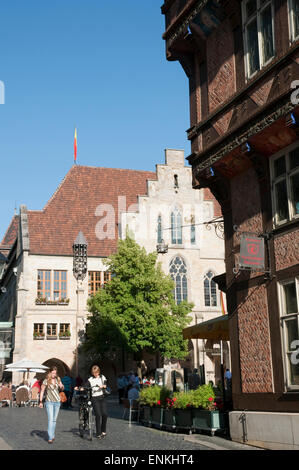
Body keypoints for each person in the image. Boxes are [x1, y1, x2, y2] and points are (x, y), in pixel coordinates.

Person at [39, 366, 64, 444]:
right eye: (52, 373)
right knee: (50, 420)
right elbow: (42, 391)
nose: (54, 374)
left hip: (57, 402)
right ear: (50, 372)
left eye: (55, 373)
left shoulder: (58, 379)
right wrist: (40, 401)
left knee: (54, 420)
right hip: (49, 402)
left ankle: (52, 435)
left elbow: (62, 388)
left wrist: (62, 386)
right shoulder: (46, 381)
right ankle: (50, 437)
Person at [85, 365, 108, 440]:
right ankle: (98, 433)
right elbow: (86, 386)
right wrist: (81, 388)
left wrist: (103, 386)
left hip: (102, 397)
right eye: (94, 372)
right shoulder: (90, 379)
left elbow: (105, 384)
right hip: (94, 398)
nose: (95, 374)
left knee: (105, 414)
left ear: (98, 372)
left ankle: (103, 430)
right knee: (98, 415)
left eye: (96, 372)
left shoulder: (102, 377)